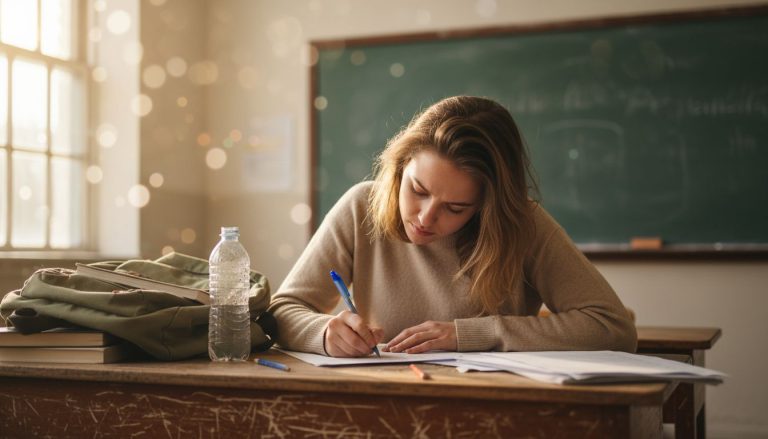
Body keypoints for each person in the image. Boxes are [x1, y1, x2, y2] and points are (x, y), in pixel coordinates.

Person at [268, 96, 637, 357]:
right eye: (418, 190)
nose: (425, 218)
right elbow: (282, 309)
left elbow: (612, 327)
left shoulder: (523, 225)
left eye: (456, 208)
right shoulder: (361, 205)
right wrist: (324, 333)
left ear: (487, 207)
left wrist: (472, 334)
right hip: (382, 398)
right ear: (401, 167)